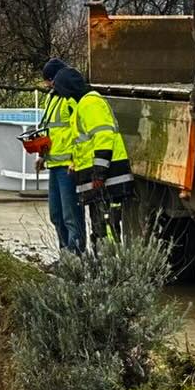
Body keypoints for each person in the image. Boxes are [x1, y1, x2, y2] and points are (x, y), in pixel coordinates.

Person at [52, 65, 131, 246]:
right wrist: (75, 164)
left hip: (108, 178)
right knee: (101, 226)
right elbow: (83, 143)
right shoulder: (83, 104)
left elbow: (103, 137)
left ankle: (111, 266)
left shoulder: (90, 104)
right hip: (101, 178)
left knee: (107, 227)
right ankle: (106, 265)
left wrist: (99, 173)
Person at [39, 57, 84, 254]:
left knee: (70, 215)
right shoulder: (52, 98)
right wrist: (42, 154)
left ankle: (76, 257)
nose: (47, 84)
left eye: (49, 79)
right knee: (56, 214)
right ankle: (65, 255)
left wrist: (76, 160)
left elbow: (80, 132)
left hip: (68, 167)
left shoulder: (70, 99)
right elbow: (49, 129)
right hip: (54, 164)